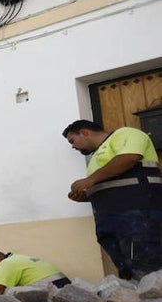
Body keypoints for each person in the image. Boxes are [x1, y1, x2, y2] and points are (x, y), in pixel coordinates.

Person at [62, 119, 162, 280]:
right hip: (111, 220)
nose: (73, 147)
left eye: (72, 141)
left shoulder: (126, 134)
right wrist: (86, 196)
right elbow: (113, 185)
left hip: (138, 214)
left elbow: (130, 157)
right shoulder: (97, 157)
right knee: (128, 271)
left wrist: (89, 181)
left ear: (84, 132)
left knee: (146, 266)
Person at [0, 245, 71, 293]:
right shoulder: (16, 258)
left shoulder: (6, 264)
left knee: (6, 294)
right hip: (69, 289)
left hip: (56, 292)